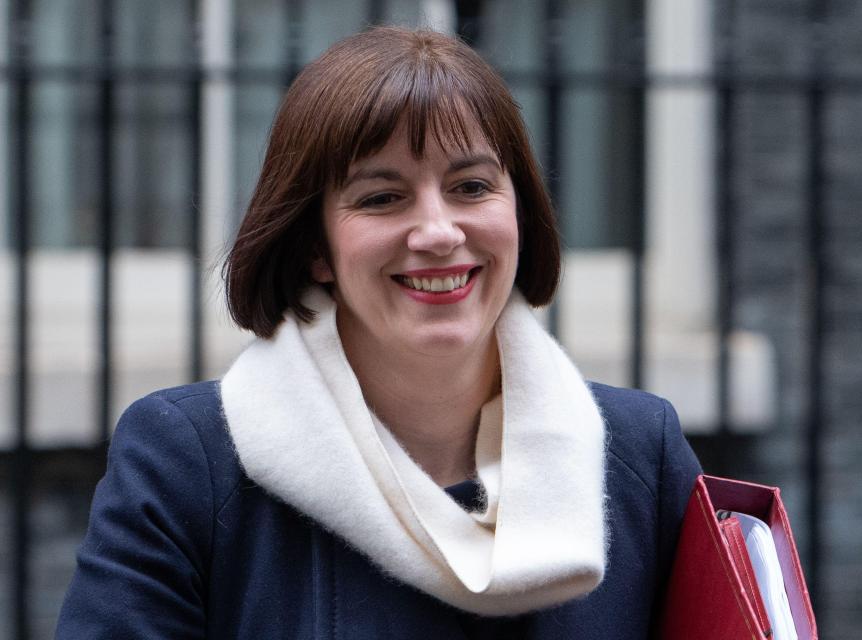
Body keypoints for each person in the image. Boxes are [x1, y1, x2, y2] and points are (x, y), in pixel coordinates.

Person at [56, 26, 701, 639]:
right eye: (381, 198)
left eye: (471, 186)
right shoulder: (186, 464)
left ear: (520, 214)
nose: (439, 232)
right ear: (315, 247)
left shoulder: (643, 456)